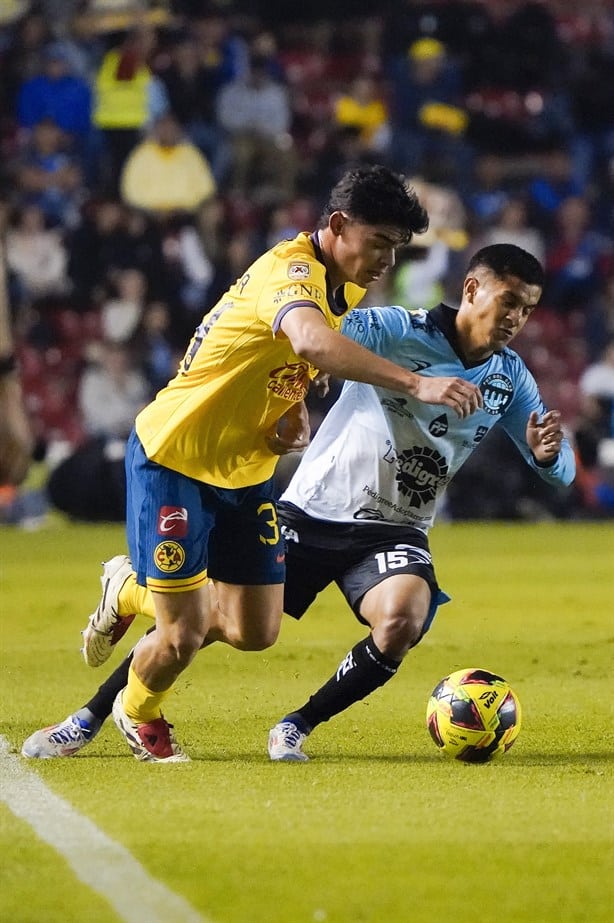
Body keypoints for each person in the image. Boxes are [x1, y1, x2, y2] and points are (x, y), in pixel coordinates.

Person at [21, 244, 575, 762]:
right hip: (311, 513)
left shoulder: (508, 378)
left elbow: (561, 470)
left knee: (403, 620)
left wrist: (547, 456)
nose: (515, 319)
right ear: (473, 288)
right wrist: (297, 395)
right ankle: (92, 712)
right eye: (508, 302)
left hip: (396, 531)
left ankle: (298, 724)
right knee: (209, 622)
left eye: (526, 310)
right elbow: (313, 337)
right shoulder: (396, 330)